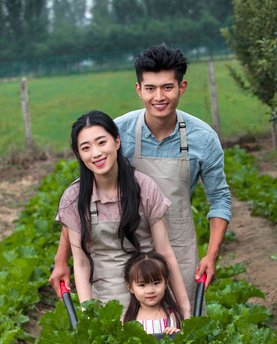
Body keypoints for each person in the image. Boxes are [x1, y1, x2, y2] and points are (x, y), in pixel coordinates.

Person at [50, 43, 231, 309]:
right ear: (139, 90)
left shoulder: (203, 138)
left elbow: (219, 199)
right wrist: (60, 259)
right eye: (150, 88)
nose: (159, 97)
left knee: (183, 327)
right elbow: (84, 194)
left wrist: (211, 255)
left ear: (181, 88)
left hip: (177, 247)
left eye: (167, 87)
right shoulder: (116, 132)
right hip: (127, 247)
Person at [56, 110, 191, 319]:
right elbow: (81, 264)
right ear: (79, 154)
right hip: (107, 301)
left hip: (149, 301)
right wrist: (88, 313)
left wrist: (185, 309)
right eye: (86, 148)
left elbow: (165, 253)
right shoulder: (74, 198)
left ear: (117, 141)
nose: (96, 153)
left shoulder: (144, 187)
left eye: (102, 142)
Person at [123, 251, 182, 335]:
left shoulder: (173, 317)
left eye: (156, 283)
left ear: (166, 282)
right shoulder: (127, 321)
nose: (150, 290)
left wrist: (177, 334)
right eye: (142, 285)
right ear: (130, 287)